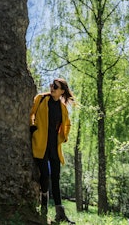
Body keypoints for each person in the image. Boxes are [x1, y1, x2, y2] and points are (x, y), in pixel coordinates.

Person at [30, 78, 76, 224]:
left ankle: (60, 214)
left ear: (62, 91)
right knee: (44, 175)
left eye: (55, 86)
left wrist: (64, 137)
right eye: (52, 85)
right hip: (40, 143)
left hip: (54, 146)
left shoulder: (62, 107)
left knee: (55, 179)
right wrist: (32, 128)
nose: (52, 88)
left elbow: (67, 124)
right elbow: (31, 113)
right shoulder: (41, 98)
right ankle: (43, 205)